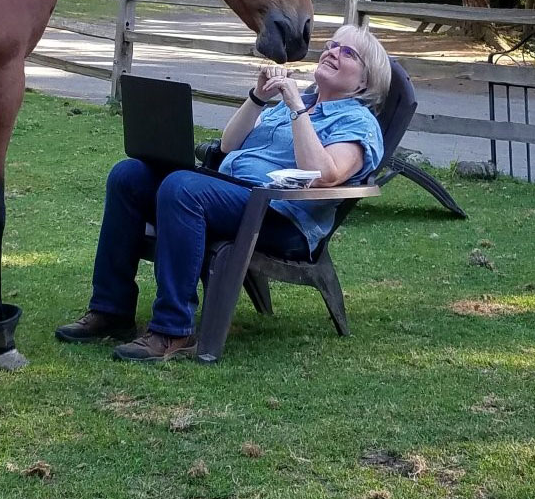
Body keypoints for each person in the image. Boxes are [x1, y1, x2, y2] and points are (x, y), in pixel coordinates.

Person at [55, 24, 391, 362]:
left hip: (279, 217)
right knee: (128, 175)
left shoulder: (358, 122)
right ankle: (111, 309)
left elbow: (324, 174)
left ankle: (174, 330)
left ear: (365, 81)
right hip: (233, 196)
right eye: (332, 45)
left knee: (182, 188)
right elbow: (228, 146)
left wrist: (295, 108)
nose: (333, 51)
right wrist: (259, 97)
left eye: (348, 53)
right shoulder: (300, 101)